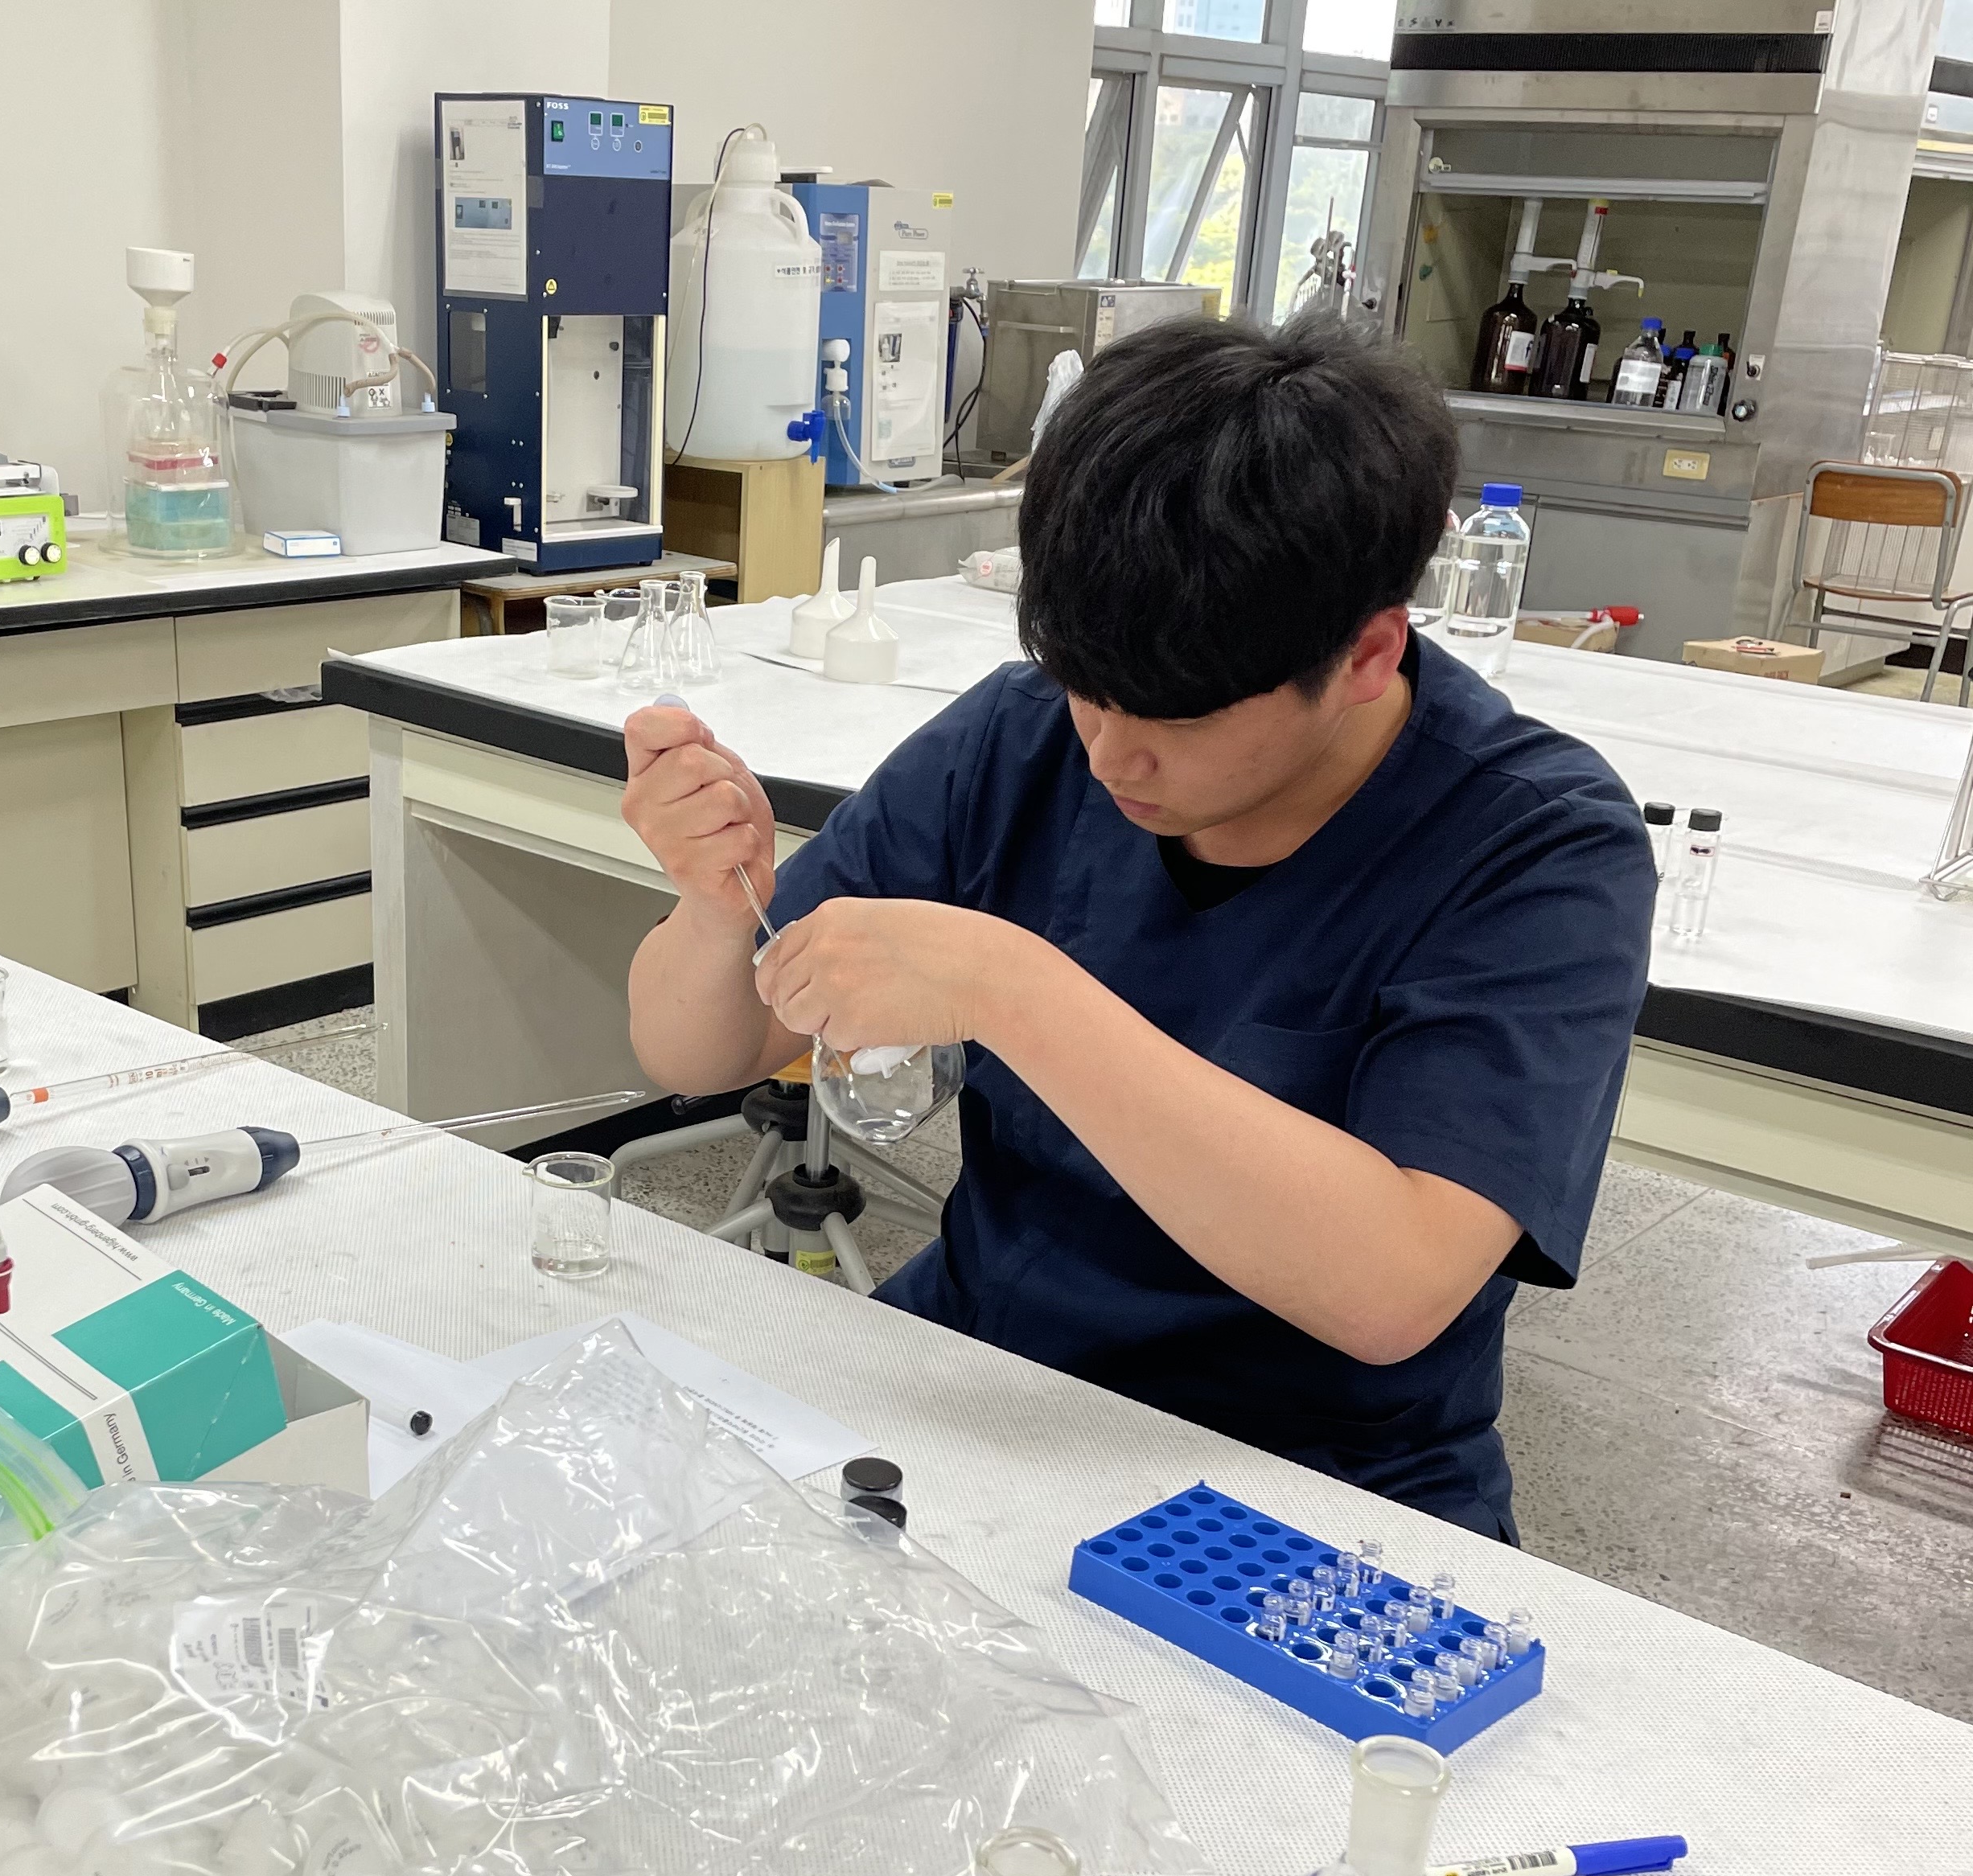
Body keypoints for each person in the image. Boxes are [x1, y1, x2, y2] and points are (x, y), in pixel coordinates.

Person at [618, 314, 1654, 1541]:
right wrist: (711, 903)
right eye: (1086, 689)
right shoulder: (1023, 735)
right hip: (982, 1383)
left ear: (1368, 654)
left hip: (1311, 1485)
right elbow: (701, 1054)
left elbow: (1394, 1286)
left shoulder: (1533, 844)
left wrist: (1012, 990)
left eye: (1176, 717)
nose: (1110, 754)